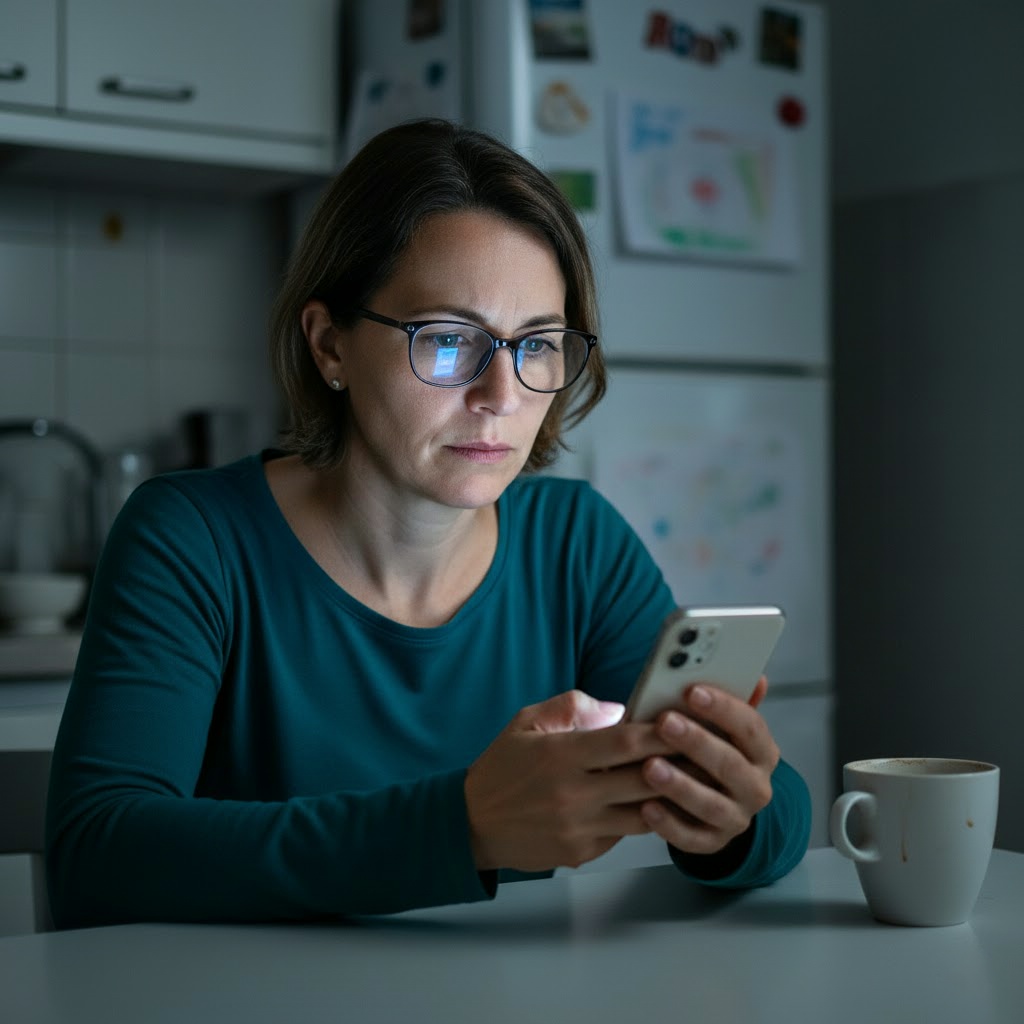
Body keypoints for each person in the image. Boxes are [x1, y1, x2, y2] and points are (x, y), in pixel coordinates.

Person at [45, 119, 811, 928]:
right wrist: (464, 828)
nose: (502, 395)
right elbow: (99, 854)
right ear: (330, 345)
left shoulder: (575, 543)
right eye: (448, 340)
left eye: (538, 345)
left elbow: (783, 814)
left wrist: (729, 814)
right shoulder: (192, 538)